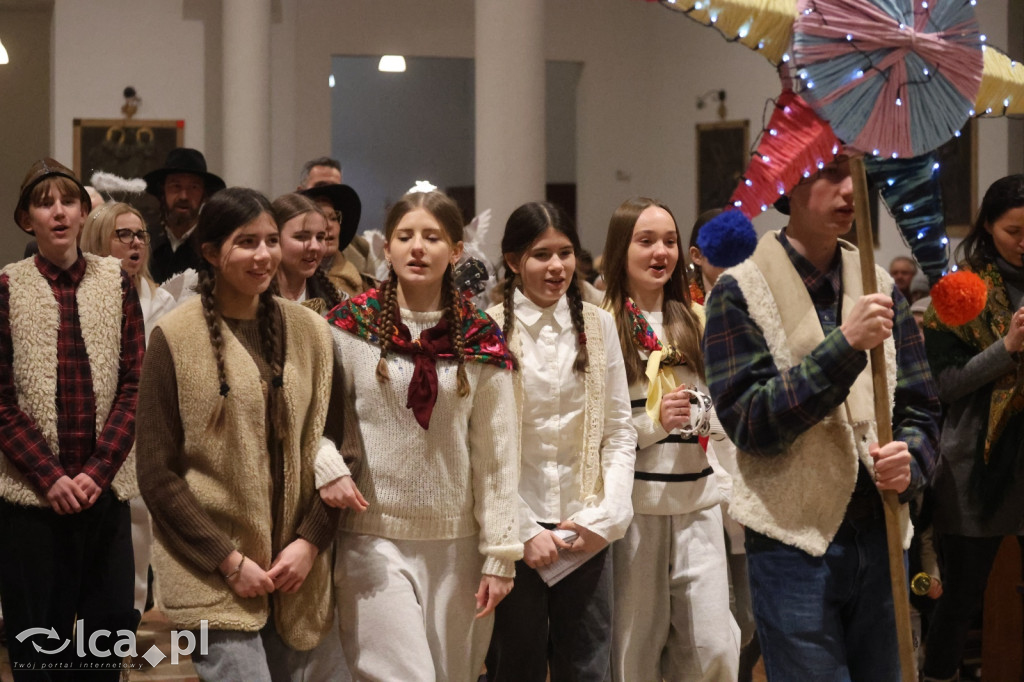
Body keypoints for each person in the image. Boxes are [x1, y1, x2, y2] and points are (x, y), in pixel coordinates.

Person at [702, 153, 941, 681]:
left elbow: (921, 405)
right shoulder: (738, 290)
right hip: (794, 543)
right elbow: (750, 424)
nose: (848, 190)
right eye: (829, 175)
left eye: (853, 174)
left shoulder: (878, 283)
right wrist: (845, 345)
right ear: (789, 185)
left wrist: (912, 457)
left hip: (882, 531)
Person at [135, 187, 347, 681]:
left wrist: (310, 543)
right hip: (212, 573)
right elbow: (156, 472)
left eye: (271, 240)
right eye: (247, 242)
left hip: (298, 572)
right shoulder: (174, 338)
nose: (265, 255)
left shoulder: (311, 331)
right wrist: (228, 560)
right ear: (211, 253)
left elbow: (339, 448)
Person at [323, 189, 521, 681]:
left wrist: (500, 554)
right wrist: (326, 465)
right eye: (405, 236)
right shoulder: (347, 329)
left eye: (432, 237)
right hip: (370, 536)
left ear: (456, 251)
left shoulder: (480, 337)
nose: (417, 248)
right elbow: (310, 420)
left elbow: (497, 454)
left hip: (459, 546)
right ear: (385, 249)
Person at [0, 158, 144, 680]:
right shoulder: (8, 286)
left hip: (101, 495)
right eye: (44, 203)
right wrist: (50, 476)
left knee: (104, 645)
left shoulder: (115, 282)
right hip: (32, 501)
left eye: (67, 202)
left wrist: (95, 472)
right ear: (26, 220)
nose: (57, 212)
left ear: (85, 213)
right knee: (39, 650)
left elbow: (135, 384)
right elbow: (2, 400)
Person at [483, 202, 636, 681]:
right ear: (513, 262)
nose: (556, 267)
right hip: (515, 527)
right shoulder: (487, 326)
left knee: (588, 666)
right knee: (516, 666)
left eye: (565, 253)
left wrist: (607, 516)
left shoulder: (599, 323)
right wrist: (525, 528)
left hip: (583, 524)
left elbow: (617, 429)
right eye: (540, 255)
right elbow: (484, 445)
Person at [602, 198, 738, 681]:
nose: (661, 251)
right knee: (633, 652)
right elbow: (597, 431)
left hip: (698, 500)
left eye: (669, 241)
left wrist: (707, 416)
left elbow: (725, 411)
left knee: (713, 648)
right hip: (636, 509)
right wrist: (655, 422)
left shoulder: (698, 318)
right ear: (621, 250)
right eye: (646, 241)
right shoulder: (602, 324)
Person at [921, 174, 1024, 682]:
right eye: (1014, 231)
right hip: (974, 469)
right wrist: (1005, 349)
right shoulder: (962, 288)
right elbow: (942, 385)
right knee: (960, 599)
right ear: (988, 226)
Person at [80, 201, 176, 621]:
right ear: (99, 239)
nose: (136, 243)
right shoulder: (79, 296)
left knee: (139, 542)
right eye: (124, 234)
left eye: (141, 235)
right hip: (93, 437)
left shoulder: (165, 300)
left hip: (147, 435)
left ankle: (123, 631)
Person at [144, 147, 226, 283]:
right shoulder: (145, 240)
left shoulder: (214, 244)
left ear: (204, 195)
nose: (184, 196)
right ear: (162, 191)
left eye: (193, 187)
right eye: (176, 186)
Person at [270, 193, 344, 314]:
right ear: (274, 239)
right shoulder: (251, 304)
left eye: (320, 237)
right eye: (302, 237)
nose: (315, 246)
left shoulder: (337, 302)